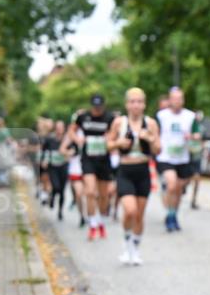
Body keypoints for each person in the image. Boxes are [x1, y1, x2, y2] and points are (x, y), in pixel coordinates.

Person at [108, 87, 160, 265]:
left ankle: (135, 249)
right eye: (132, 101)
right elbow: (107, 145)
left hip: (143, 171)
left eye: (139, 101)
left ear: (144, 104)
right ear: (127, 104)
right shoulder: (118, 123)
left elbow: (158, 150)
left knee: (139, 215)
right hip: (125, 170)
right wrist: (118, 143)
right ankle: (126, 243)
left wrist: (151, 139)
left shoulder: (151, 123)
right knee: (130, 210)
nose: (136, 105)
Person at [69, 95, 116, 240]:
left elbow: (116, 134)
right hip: (88, 158)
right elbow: (71, 131)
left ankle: (100, 222)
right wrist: (78, 140)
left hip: (103, 160)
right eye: (95, 107)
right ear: (91, 106)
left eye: (100, 107)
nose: (97, 109)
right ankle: (92, 225)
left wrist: (110, 139)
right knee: (90, 192)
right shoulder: (83, 117)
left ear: (103, 105)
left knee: (103, 196)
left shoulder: (110, 118)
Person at [155, 86, 201, 231]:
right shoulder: (161, 116)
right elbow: (154, 133)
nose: (177, 101)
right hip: (165, 157)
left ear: (183, 100)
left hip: (183, 158)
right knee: (172, 184)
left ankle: (173, 214)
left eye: (180, 99)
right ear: (169, 100)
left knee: (178, 190)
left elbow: (197, 135)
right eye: (174, 98)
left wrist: (193, 136)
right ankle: (169, 214)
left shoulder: (190, 116)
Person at [60, 119, 86, 228]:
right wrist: (69, 152)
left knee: (91, 194)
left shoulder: (91, 132)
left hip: (91, 167)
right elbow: (62, 150)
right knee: (79, 194)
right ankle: (82, 216)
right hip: (76, 168)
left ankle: (93, 215)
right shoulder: (71, 135)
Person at [45, 120, 69, 220]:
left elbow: (74, 150)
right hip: (53, 166)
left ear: (64, 129)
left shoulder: (67, 140)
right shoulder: (50, 139)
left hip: (63, 166)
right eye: (58, 127)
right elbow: (45, 150)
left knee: (62, 190)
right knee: (56, 186)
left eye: (61, 127)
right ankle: (52, 196)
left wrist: (69, 153)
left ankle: (60, 211)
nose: (59, 129)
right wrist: (45, 160)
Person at [188, 110, 204, 210]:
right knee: (185, 179)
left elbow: (203, 140)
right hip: (187, 156)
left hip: (197, 155)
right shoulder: (187, 126)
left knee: (197, 179)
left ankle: (194, 199)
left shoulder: (202, 128)